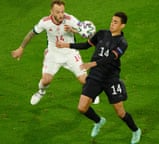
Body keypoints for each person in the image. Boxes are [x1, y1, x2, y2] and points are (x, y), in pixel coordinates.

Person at [56, 12, 141, 144]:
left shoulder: (122, 43)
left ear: (122, 25)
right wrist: (66, 45)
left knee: (120, 112)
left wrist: (92, 63)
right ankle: (99, 121)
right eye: (112, 21)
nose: (112, 24)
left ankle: (136, 131)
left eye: (116, 22)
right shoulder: (101, 34)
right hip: (95, 76)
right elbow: (86, 45)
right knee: (82, 108)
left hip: (111, 78)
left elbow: (111, 58)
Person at [11, 0, 99, 105]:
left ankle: (93, 94)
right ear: (51, 12)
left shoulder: (70, 19)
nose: (61, 15)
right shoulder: (45, 22)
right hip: (53, 54)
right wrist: (21, 48)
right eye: (58, 12)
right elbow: (31, 34)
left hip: (71, 53)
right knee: (46, 80)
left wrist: (73, 30)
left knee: (84, 80)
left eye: (62, 12)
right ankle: (40, 92)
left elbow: (87, 33)